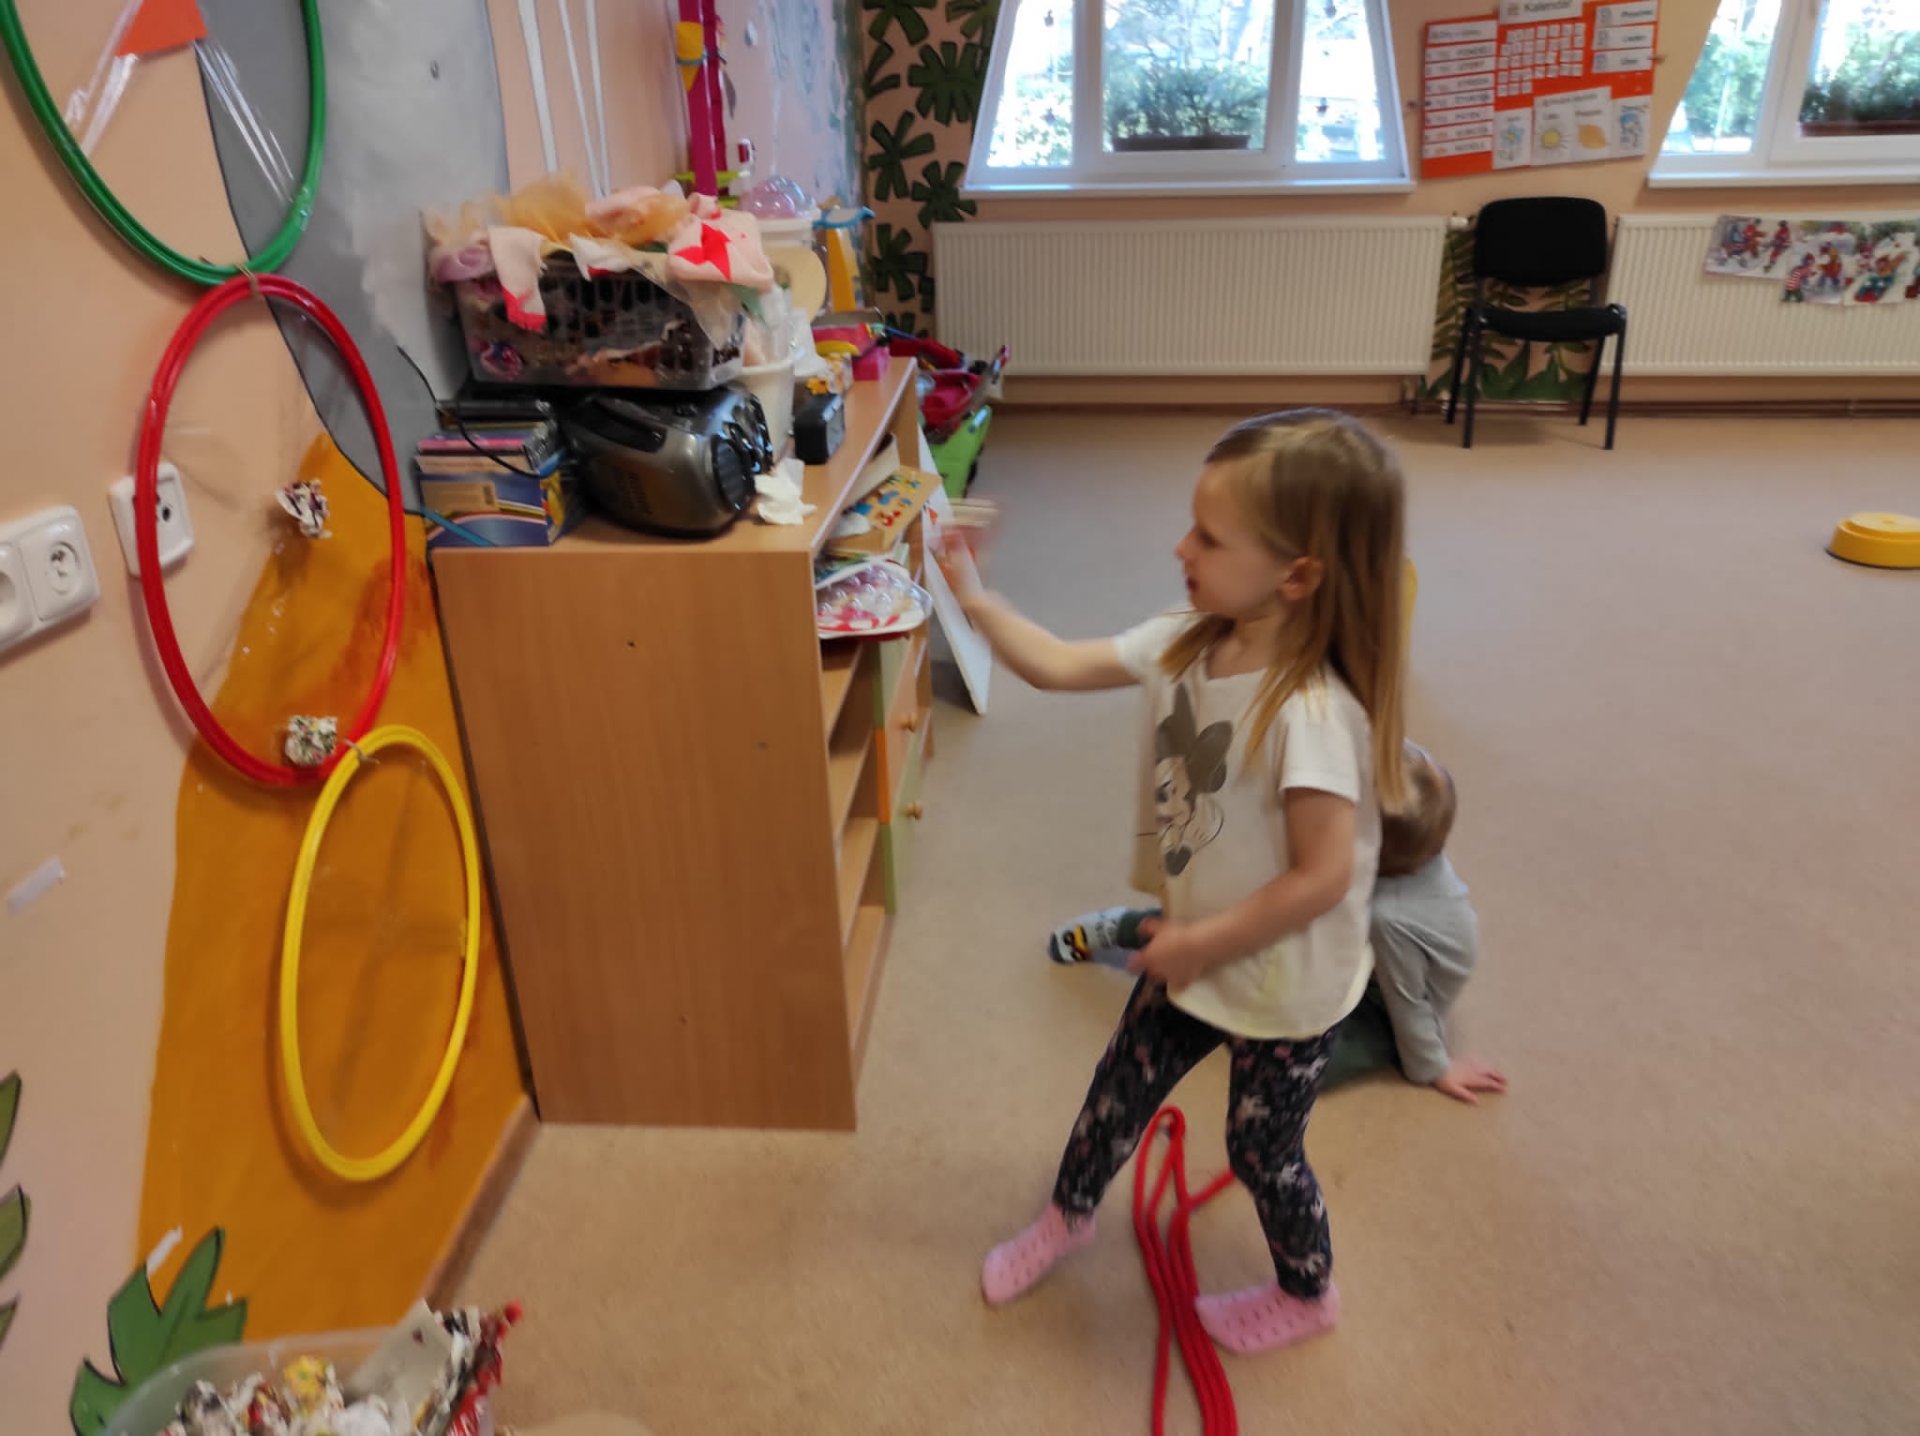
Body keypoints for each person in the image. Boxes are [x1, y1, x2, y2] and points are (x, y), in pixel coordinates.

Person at [943, 409, 1406, 1355]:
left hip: (1284, 988)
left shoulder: (1312, 714)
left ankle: (1309, 1293)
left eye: (1208, 536)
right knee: (1116, 1091)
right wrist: (970, 593)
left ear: (1297, 575)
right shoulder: (1189, 638)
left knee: (1262, 1153)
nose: (1179, 547)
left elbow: (1322, 878)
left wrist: (1202, 942)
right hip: (1192, 945)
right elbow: (1058, 666)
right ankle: (1069, 1215)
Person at [1047, 740, 1508, 1105]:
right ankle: (1123, 928)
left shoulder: (1390, 919)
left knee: (1305, 1067)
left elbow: (1408, 1002)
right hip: (1361, 959)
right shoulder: (1403, 861)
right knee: (1238, 928)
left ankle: (1221, 988)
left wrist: (1433, 1066)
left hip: (1380, 1008)